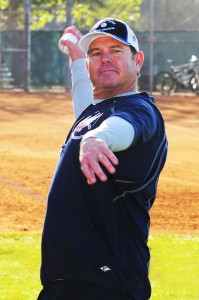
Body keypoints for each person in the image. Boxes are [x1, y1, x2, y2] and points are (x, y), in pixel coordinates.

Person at [37, 18, 168, 300]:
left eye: (116, 51)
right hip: (69, 281)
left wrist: (99, 139)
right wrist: (76, 56)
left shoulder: (140, 109)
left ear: (138, 60)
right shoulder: (97, 111)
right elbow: (86, 105)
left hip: (107, 285)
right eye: (96, 54)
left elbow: (124, 126)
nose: (105, 59)